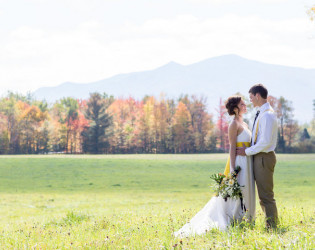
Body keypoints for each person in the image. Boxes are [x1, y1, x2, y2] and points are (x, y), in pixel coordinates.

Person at [174, 96, 255, 237]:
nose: (245, 105)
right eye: (242, 104)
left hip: (247, 161)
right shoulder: (234, 125)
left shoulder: (245, 124)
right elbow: (232, 148)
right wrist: (232, 170)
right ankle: (234, 218)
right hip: (239, 163)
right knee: (238, 191)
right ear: (235, 108)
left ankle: (246, 218)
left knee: (247, 190)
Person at [236, 83, 278, 229]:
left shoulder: (267, 115)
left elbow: (265, 142)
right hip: (259, 157)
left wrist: (247, 151)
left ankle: (272, 227)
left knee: (266, 195)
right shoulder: (262, 113)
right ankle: (270, 225)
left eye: (251, 97)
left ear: (258, 96)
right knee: (262, 196)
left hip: (263, 157)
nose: (250, 101)